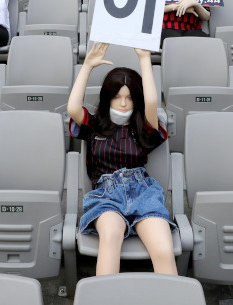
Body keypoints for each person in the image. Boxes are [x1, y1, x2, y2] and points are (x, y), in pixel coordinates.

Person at [67, 42, 177, 276]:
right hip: (106, 195)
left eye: (129, 97)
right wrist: (87, 65)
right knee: (110, 239)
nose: (124, 103)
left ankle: (172, 298)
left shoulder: (143, 128)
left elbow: (151, 103)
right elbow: (73, 107)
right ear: (108, 97)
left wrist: (145, 60)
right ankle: (105, 298)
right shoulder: (93, 126)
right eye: (117, 96)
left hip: (143, 193)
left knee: (163, 249)